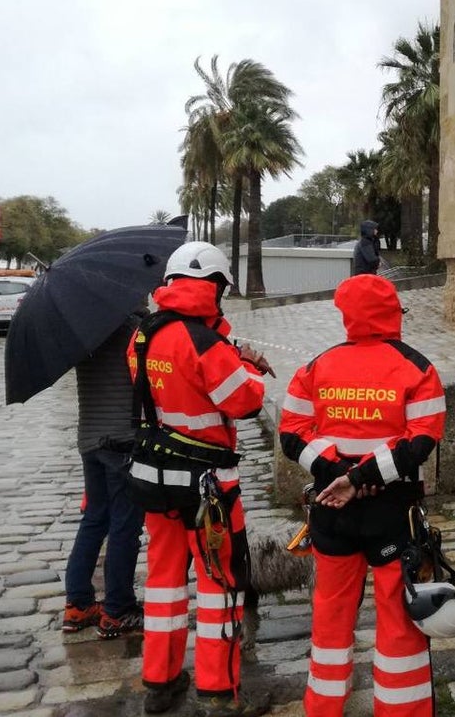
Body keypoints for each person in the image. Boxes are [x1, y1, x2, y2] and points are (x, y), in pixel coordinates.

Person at [278, 273, 450, 717]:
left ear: (346, 316)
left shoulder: (315, 367)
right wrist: (361, 477)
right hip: (393, 512)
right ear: (394, 313)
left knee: (330, 614)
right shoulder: (418, 367)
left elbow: (291, 434)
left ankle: (323, 707)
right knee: (399, 620)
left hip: (331, 509)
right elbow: (420, 442)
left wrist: (337, 474)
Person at [127, 241, 273, 717]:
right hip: (208, 485)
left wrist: (226, 349)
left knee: (164, 582)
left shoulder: (143, 336)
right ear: (215, 287)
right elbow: (245, 401)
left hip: (155, 478)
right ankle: (218, 690)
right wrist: (247, 366)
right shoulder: (206, 344)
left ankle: (160, 681)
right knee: (220, 583)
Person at [61, 310, 147, 639]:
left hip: (89, 439)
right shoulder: (133, 331)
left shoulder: (81, 331)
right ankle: (118, 609)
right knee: (125, 525)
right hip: (122, 441)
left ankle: (78, 604)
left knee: (95, 519)